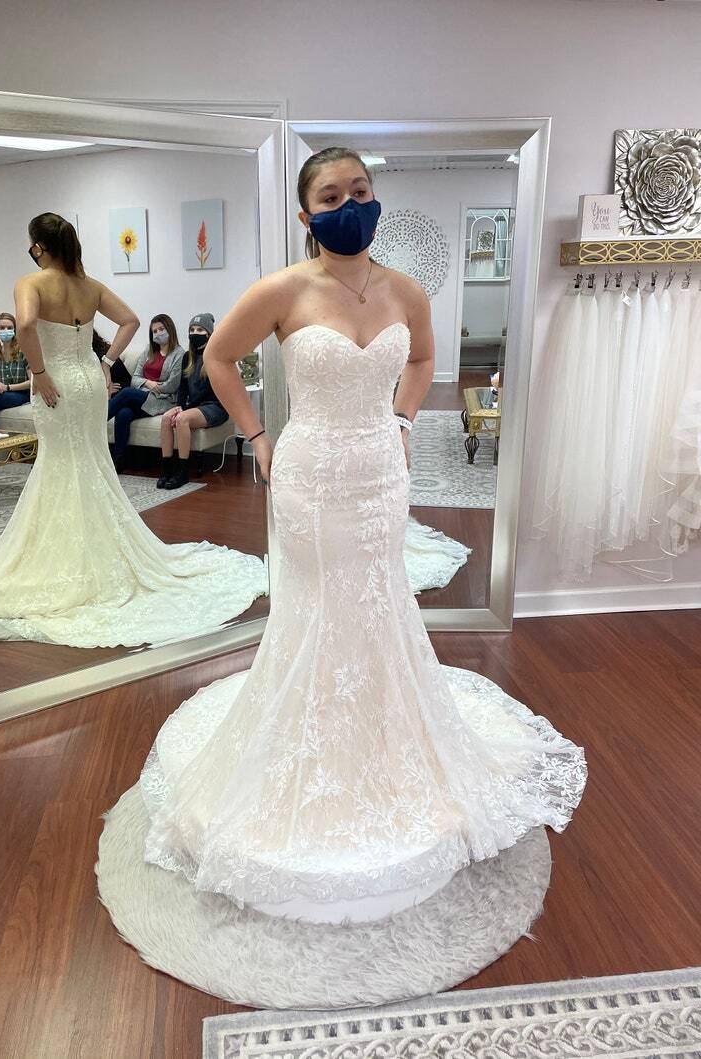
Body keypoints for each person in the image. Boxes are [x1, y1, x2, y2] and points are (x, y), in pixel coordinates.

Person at [132, 148, 587, 926]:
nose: (350, 204)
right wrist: (257, 436)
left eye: (361, 190)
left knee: (378, 597)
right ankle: (307, 742)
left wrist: (404, 419)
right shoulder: (283, 289)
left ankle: (382, 733)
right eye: (331, 195)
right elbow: (219, 357)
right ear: (306, 214)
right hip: (310, 474)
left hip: (380, 471)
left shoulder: (405, 290)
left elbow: (425, 357)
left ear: (376, 197)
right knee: (318, 605)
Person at [0, 213, 267, 648]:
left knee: (60, 461)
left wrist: (39, 372)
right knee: (89, 459)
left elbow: (24, 324)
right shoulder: (90, 286)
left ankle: (74, 556)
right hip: (88, 380)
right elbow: (131, 320)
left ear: (39, 247)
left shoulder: (31, 283)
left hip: (55, 382)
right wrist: (104, 363)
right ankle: (97, 548)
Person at [106, 315, 185, 473]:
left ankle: (95, 421)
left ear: (170, 329)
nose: (158, 333)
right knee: (123, 413)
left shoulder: (179, 354)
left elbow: (172, 385)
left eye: (161, 329)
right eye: (154, 331)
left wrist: (150, 386)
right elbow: (135, 378)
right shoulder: (149, 351)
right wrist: (148, 383)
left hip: (163, 400)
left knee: (127, 393)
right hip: (143, 396)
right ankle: (119, 461)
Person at [158, 313, 228, 489]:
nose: (195, 333)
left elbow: (216, 392)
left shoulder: (216, 356)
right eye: (192, 330)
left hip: (215, 407)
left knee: (182, 419)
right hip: (195, 407)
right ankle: (166, 470)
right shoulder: (187, 357)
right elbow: (183, 388)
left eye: (200, 330)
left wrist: (187, 411)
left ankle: (183, 472)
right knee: (166, 418)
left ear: (209, 334)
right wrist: (180, 407)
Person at [93, 329, 132, 394]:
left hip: (120, 389)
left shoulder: (103, 355)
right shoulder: (104, 350)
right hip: (108, 389)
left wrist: (107, 390)